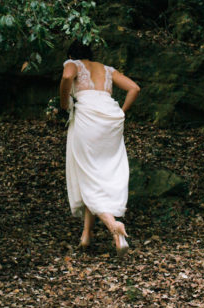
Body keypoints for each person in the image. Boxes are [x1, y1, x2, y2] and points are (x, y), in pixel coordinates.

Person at [60, 40, 141, 254]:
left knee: (86, 174)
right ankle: (86, 235)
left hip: (87, 119)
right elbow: (134, 88)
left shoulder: (72, 64)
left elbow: (67, 77)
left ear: (72, 55)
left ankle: (113, 225)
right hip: (110, 120)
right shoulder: (107, 70)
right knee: (96, 174)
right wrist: (121, 112)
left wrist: (64, 103)